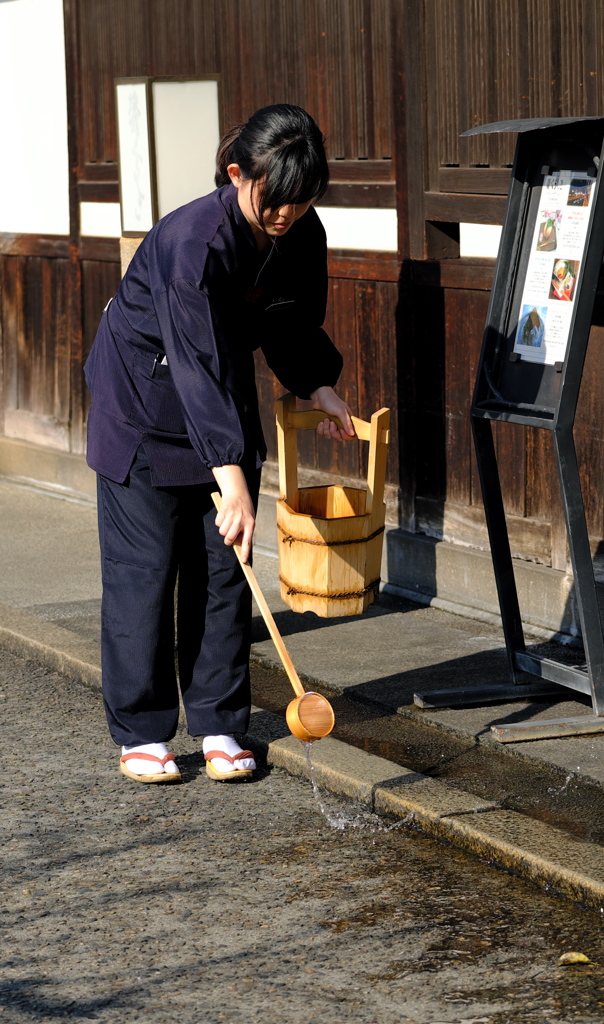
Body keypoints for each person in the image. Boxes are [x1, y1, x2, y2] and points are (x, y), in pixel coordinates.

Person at [84, 104, 354, 784]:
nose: (287, 216)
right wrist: (229, 476)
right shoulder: (191, 243)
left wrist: (318, 384)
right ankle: (142, 731)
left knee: (224, 572)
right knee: (144, 573)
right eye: (274, 200)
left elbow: (288, 318)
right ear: (238, 173)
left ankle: (218, 723)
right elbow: (193, 360)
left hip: (219, 408)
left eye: (302, 201)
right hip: (142, 408)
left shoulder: (299, 229)